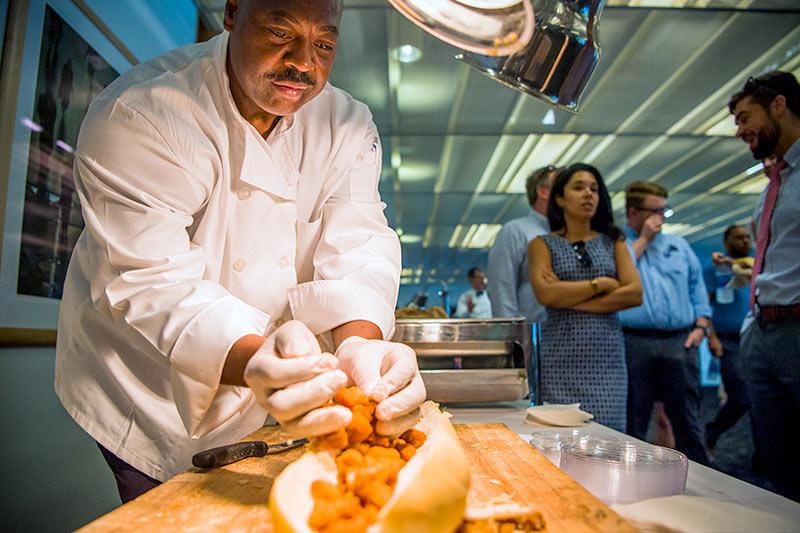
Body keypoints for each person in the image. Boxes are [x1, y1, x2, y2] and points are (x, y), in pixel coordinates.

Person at [54, 0, 425, 503]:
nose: (303, 63)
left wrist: (360, 346)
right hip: (149, 390)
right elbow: (152, 282)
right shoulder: (145, 113)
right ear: (232, 13)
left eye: (324, 44)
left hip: (274, 394)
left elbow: (359, 242)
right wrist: (258, 364)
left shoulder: (347, 124)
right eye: (280, 32)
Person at [729, 71, 800, 501]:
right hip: (764, 331)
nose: (740, 132)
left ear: (778, 105)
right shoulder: (776, 182)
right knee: (779, 462)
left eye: (744, 117)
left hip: (796, 326)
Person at [528, 164, 642, 431]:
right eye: (578, 188)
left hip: (606, 358)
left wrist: (567, 296)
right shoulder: (541, 244)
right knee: (559, 436)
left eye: (594, 189)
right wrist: (600, 284)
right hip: (560, 355)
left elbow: (635, 293)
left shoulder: (614, 241)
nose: (588, 194)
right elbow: (546, 294)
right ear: (559, 198)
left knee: (610, 437)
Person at [617, 181, 712, 464]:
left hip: (678, 341)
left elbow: (697, 286)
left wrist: (701, 325)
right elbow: (616, 275)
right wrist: (644, 239)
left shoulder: (678, 245)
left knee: (687, 420)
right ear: (633, 213)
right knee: (634, 417)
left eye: (664, 210)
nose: (662, 217)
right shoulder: (619, 246)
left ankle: (700, 484)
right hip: (634, 342)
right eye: (656, 210)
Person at [702, 225, 753, 453]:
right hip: (728, 341)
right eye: (738, 237)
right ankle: (711, 432)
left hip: (754, 337)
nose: (744, 241)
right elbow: (704, 304)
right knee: (740, 397)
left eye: (747, 237)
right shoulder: (714, 269)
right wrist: (711, 337)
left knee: (760, 403)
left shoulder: (756, 267)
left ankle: (762, 464)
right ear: (726, 241)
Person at [487, 165, 559, 323]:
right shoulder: (515, 231)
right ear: (543, 192)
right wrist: (513, 338)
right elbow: (502, 291)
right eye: (561, 185)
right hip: (532, 335)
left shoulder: (569, 233)